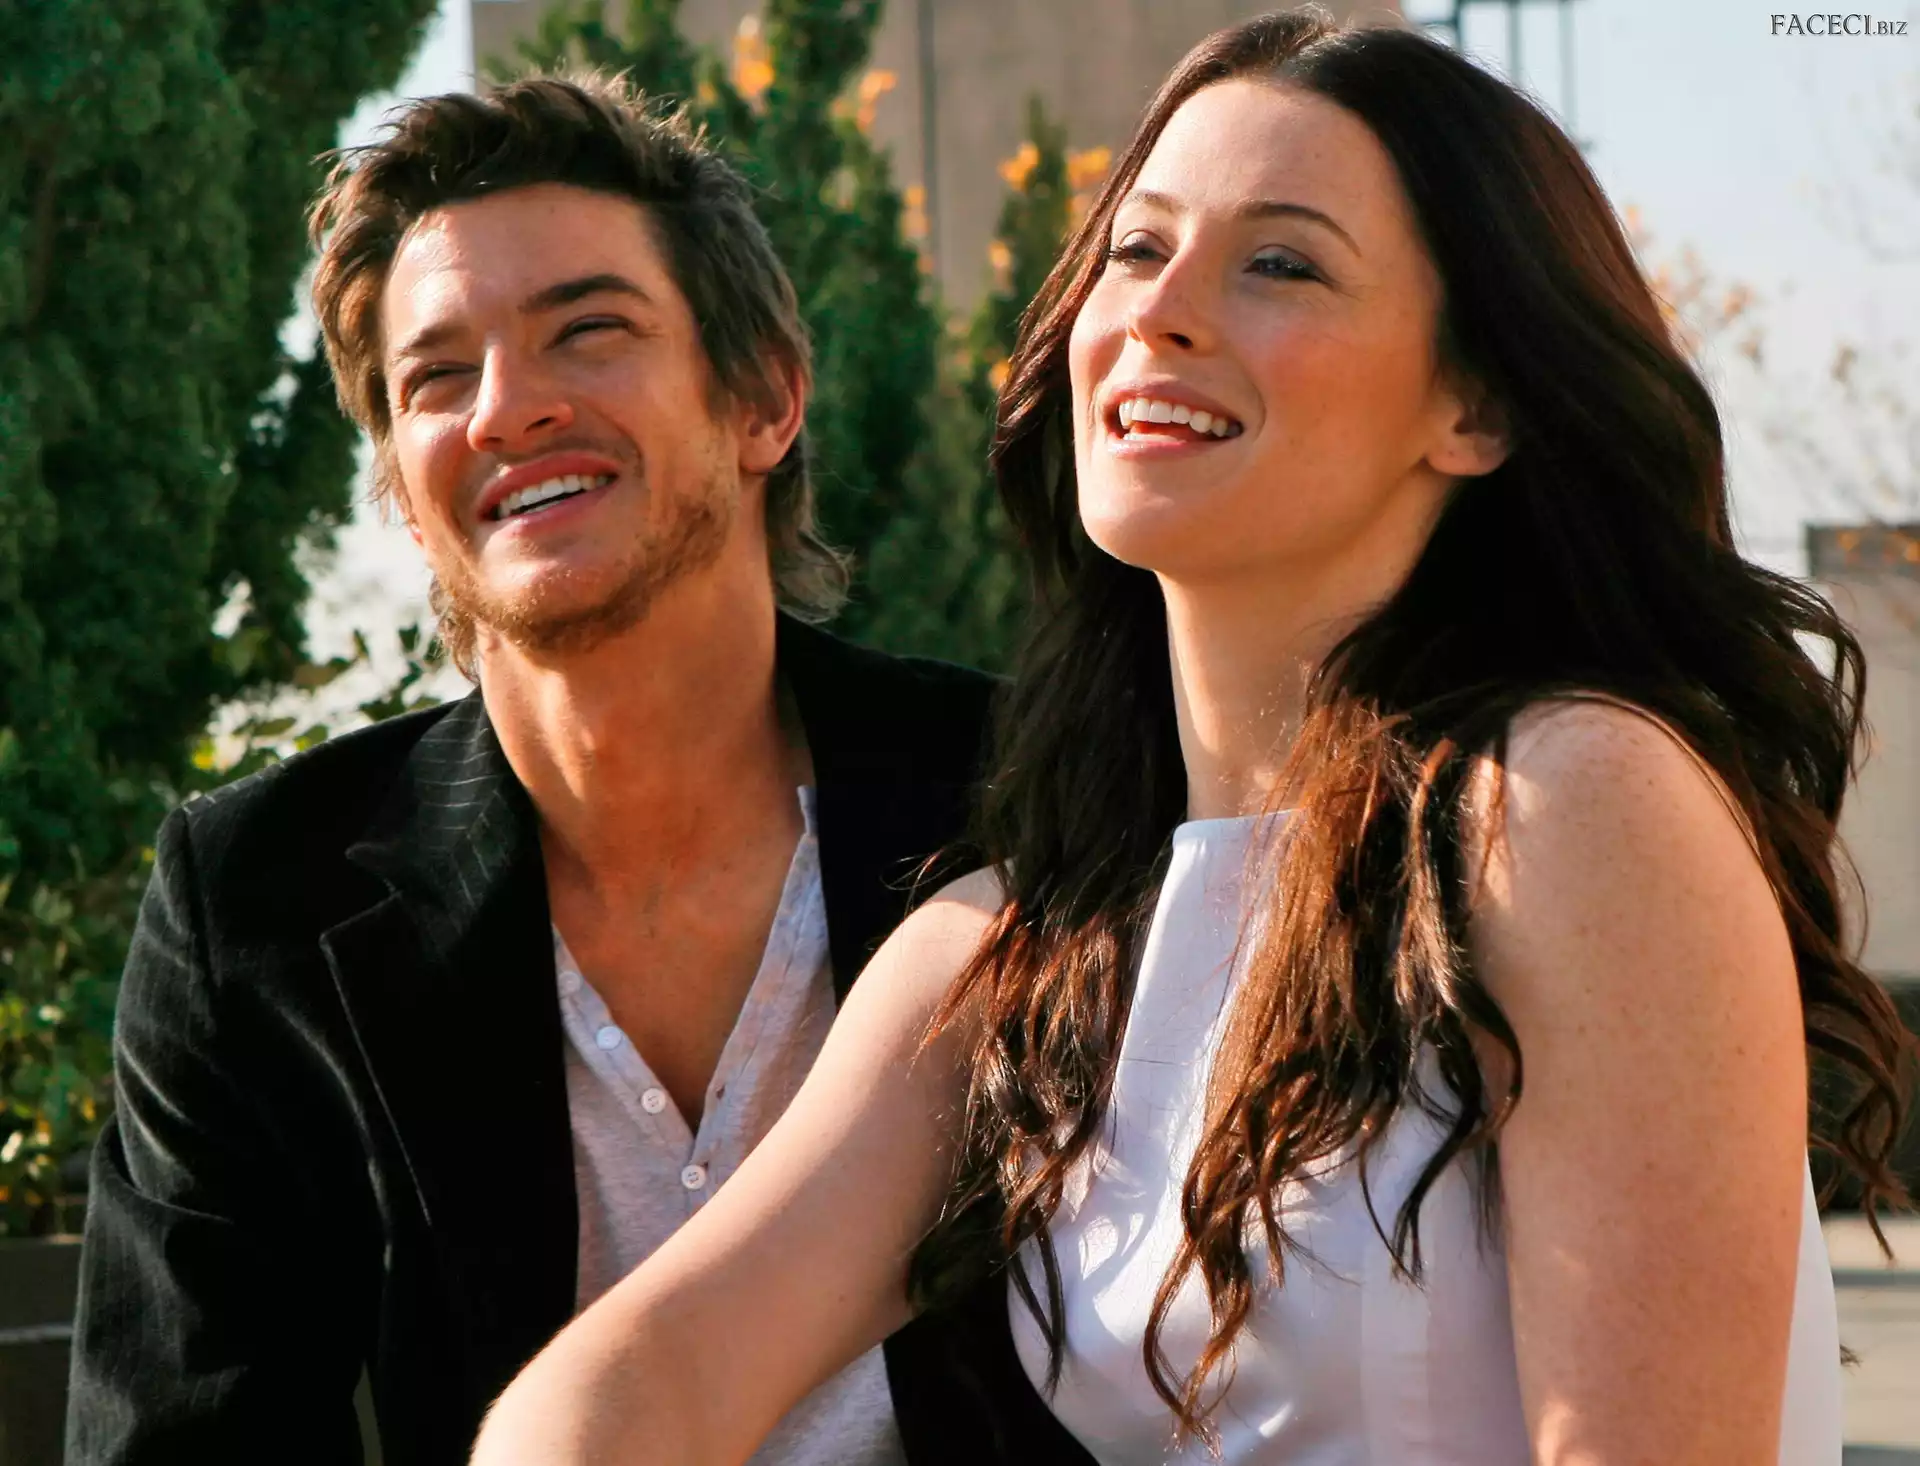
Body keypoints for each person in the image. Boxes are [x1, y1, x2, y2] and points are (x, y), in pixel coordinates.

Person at [470, 12, 1919, 1466]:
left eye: (1281, 263)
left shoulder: (1564, 804)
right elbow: (644, 1371)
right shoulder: (1023, 947)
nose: (1159, 312)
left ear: (1474, 403)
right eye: (1136, 248)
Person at [65, 74, 1089, 1466]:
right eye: (436, 378)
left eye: (587, 331)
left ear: (764, 399)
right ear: (403, 486)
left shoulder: (1033, 799)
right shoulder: (257, 904)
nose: (506, 410)